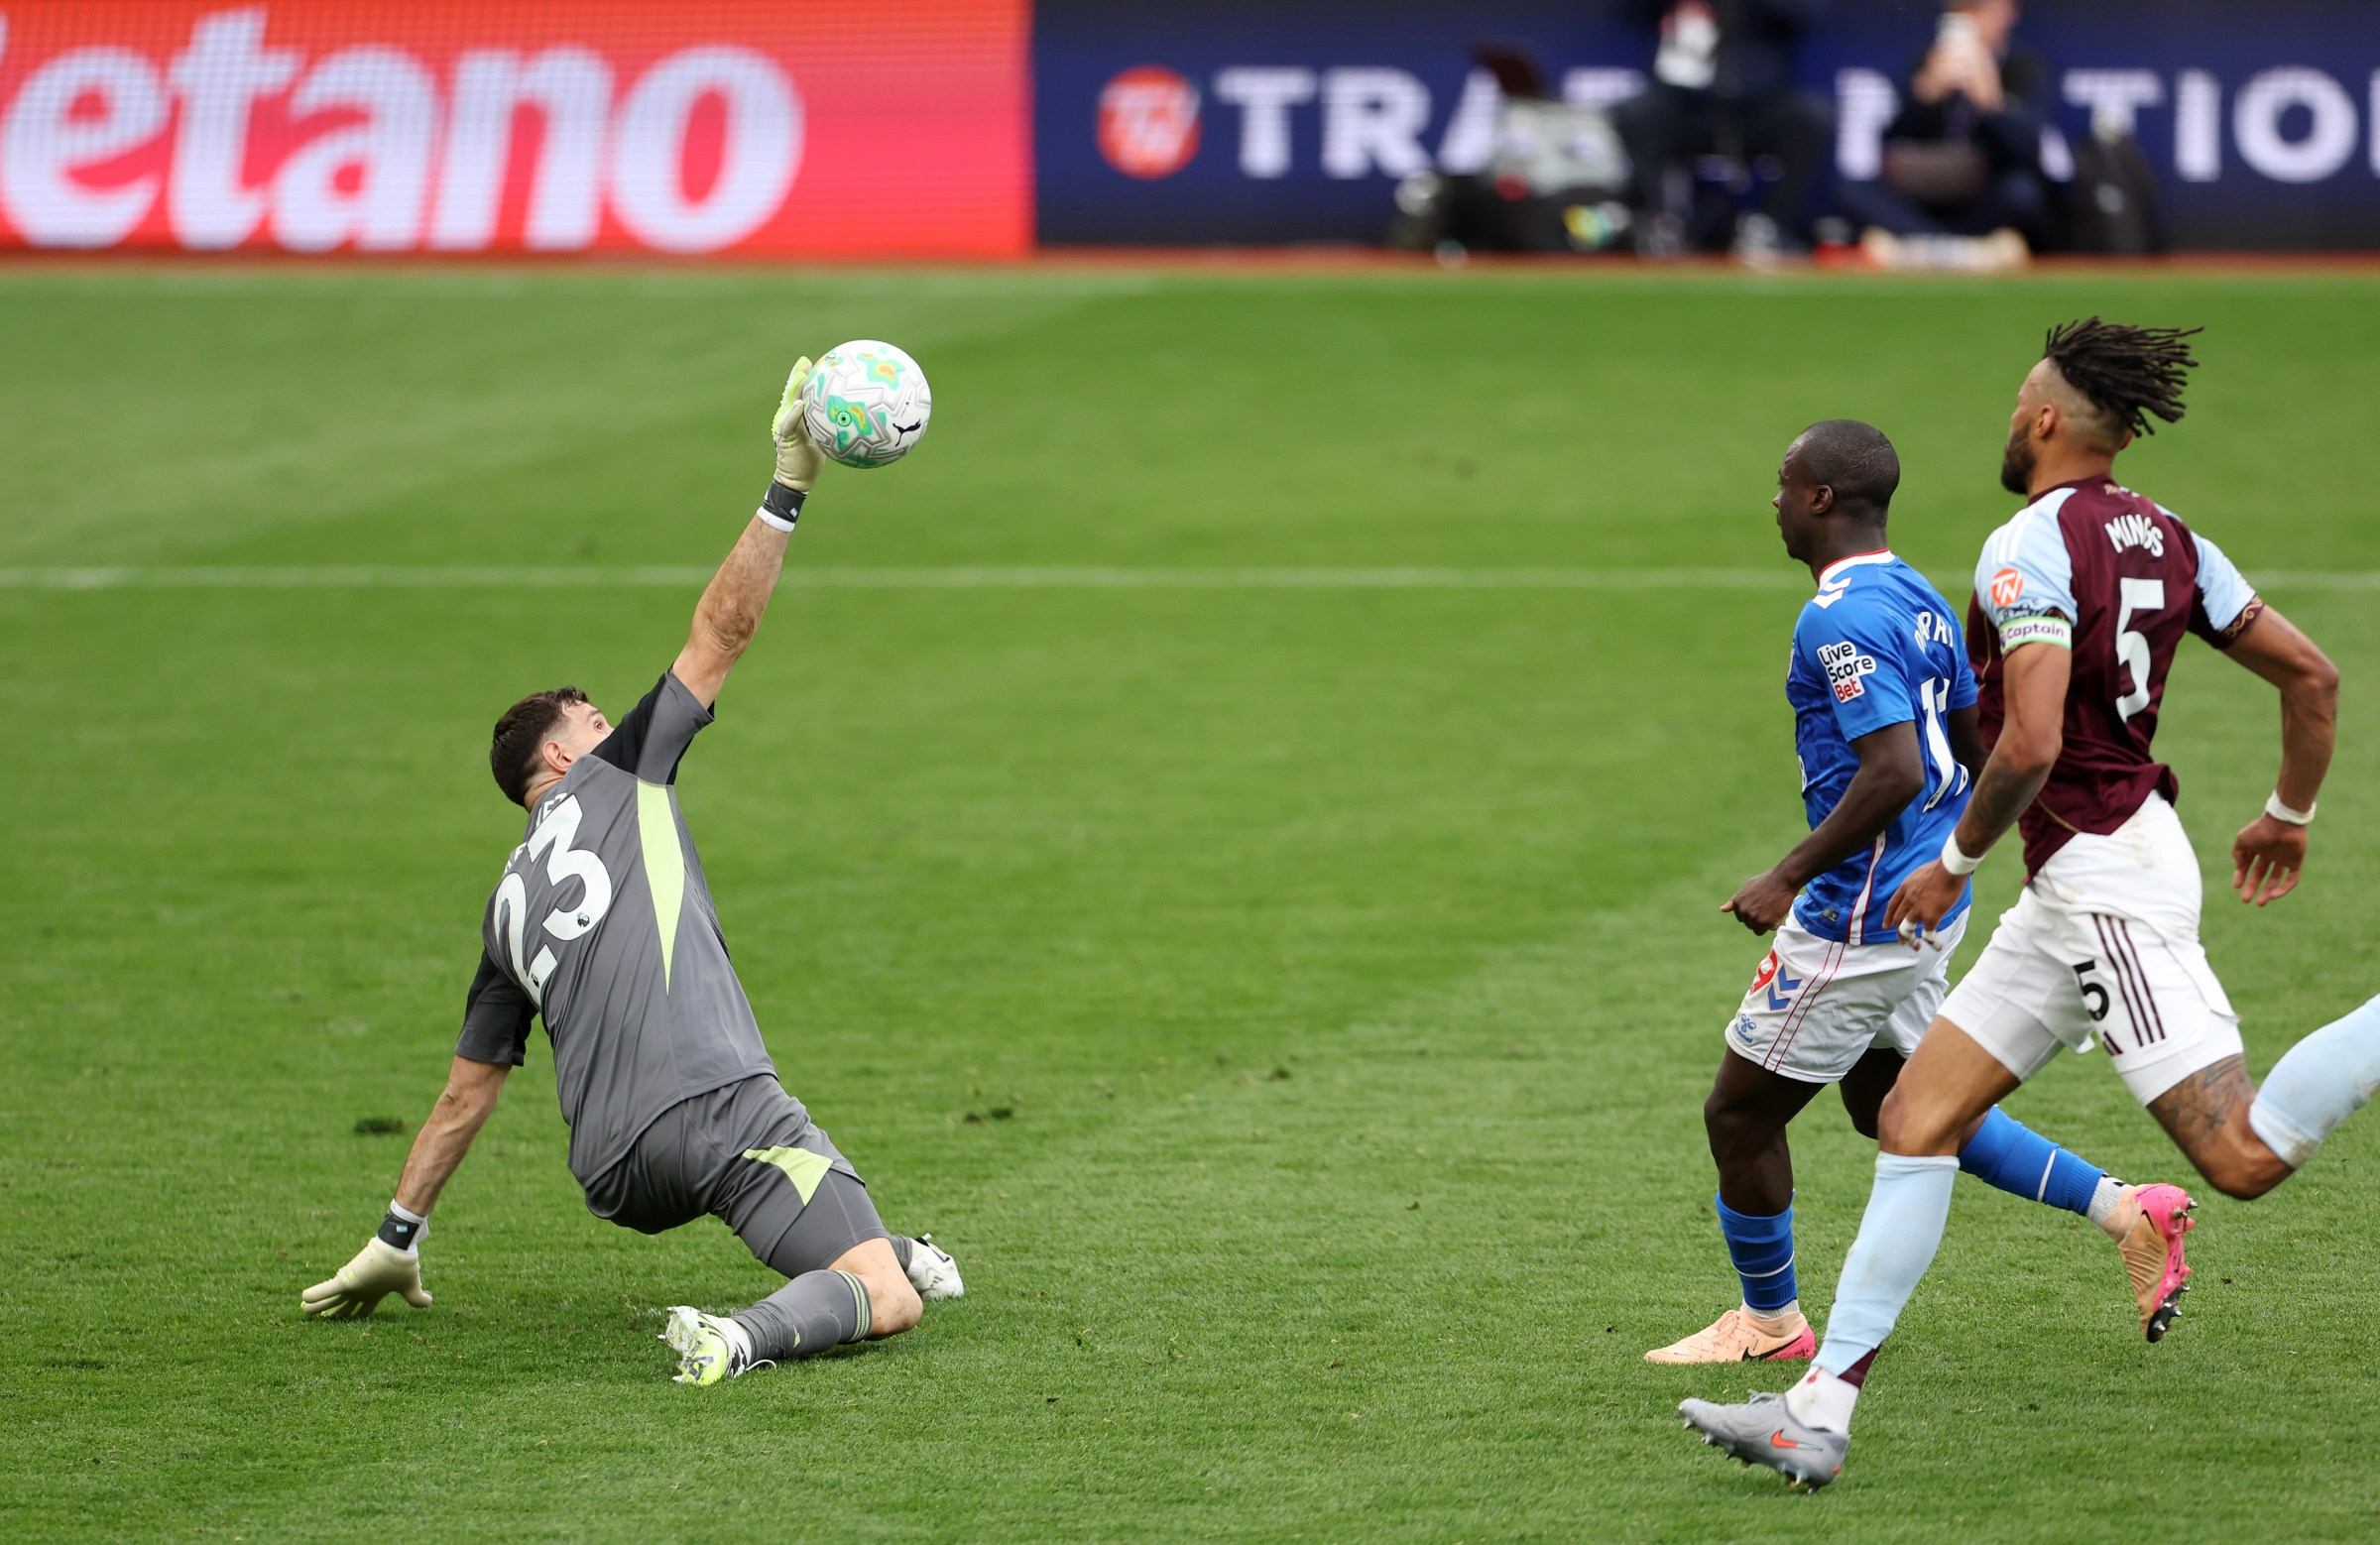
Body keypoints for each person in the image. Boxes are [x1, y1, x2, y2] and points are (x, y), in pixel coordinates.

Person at [1681, 319, 2362, 1488]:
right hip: (2076, 879)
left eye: (2014, 404)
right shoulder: (2179, 539)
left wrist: (1954, 856)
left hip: (2102, 874)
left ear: (2048, 419)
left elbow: (2033, 737)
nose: (2007, 420)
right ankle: (1817, 1410)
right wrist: (2287, 812)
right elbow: (2313, 674)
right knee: (1912, 1120)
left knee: (2242, 1156)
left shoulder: (2025, 545)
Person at [300, 357, 964, 1385]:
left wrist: (398, 1235)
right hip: (715, 1112)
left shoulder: (505, 910)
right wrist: (788, 486)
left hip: (619, 1170)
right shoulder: (617, 781)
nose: (617, 729)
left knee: (870, 1236)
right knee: (885, 1296)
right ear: (561, 762)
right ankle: (742, 1334)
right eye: (596, 723)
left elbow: (465, 1095)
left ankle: (891, 1240)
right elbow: (722, 633)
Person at [1646, 419, 2193, 1367]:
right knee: (1896, 1101)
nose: (1773, 500)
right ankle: (2129, 1212)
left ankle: (1770, 1326)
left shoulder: (1838, 615)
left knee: (1738, 1114)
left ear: (1820, 499)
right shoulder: (1921, 598)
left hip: (1862, 913)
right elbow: (1977, 742)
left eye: (1784, 483)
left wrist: (1787, 874)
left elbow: (1894, 768)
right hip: (1929, 897)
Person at [1608, 0, 1836, 259]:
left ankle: (1770, 226)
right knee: (1636, 113)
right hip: (1686, 107)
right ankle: (1658, 223)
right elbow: (1628, 11)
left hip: (1759, 106)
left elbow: (1808, 15)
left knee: (1812, 117)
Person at [1838, 0, 2056, 262]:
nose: (1971, 20)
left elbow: (2029, 150)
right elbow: (1890, 143)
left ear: (2008, 14)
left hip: (1985, 193)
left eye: (1980, 9)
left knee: (2022, 193)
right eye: (1961, 11)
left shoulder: (2024, 67)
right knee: (1850, 190)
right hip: (1926, 193)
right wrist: (1924, 93)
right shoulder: (1925, 62)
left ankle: (1921, 248)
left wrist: (1992, 103)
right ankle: (1955, 249)